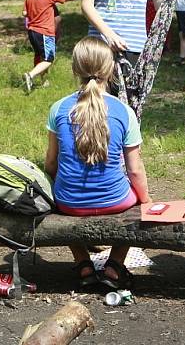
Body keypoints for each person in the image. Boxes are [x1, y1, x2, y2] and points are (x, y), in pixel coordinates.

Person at [44, 37, 151, 289]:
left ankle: (83, 263)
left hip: (68, 202)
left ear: (74, 69)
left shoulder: (58, 108)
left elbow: (50, 163)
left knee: (57, 192)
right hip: (115, 201)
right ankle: (114, 265)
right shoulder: (123, 111)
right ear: (111, 68)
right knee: (136, 202)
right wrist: (146, 202)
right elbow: (135, 170)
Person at [23, 0, 82, 93]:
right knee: (49, 59)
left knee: (40, 57)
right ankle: (30, 76)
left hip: (32, 32)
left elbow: (25, 13)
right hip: (45, 32)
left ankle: (44, 82)